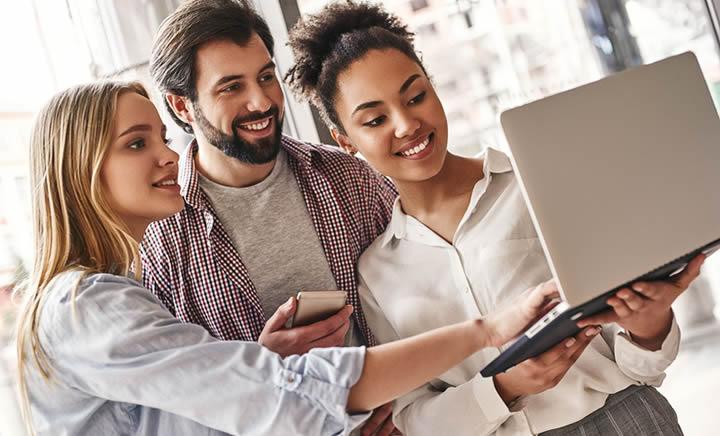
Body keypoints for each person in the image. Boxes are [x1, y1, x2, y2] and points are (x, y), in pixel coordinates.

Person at [14, 80, 561, 436]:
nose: (165, 155)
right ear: (78, 168)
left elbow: (194, 416)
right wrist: (487, 331)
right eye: (136, 144)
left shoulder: (104, 295)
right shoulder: (87, 305)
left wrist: (264, 359)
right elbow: (280, 399)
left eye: (158, 137)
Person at [285, 2, 705, 435]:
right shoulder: (376, 272)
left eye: (416, 97)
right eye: (374, 119)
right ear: (345, 141)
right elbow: (413, 418)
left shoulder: (536, 185)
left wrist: (648, 327)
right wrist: (501, 389)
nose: (407, 124)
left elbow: (642, 366)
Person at [142, 1, 399, 431]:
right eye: (231, 87)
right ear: (183, 107)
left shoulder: (351, 179)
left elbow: (421, 300)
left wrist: (406, 406)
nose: (261, 101)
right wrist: (261, 371)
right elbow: (170, 409)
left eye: (265, 77)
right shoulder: (157, 240)